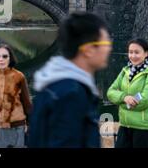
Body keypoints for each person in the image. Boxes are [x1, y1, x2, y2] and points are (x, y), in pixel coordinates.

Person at [27, 12, 112, 148]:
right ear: (89, 49)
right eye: (106, 43)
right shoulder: (71, 94)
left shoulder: (54, 86)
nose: (109, 48)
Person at [107, 38, 148, 148]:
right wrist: (124, 97)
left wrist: (120, 102)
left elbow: (144, 101)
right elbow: (110, 92)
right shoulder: (125, 70)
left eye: (137, 52)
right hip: (125, 124)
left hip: (143, 127)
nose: (133, 56)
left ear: (146, 53)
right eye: (130, 52)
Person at [0, 44, 32, 148]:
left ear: (10, 58)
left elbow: (27, 104)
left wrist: (30, 126)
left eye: (5, 56)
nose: (1, 59)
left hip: (14, 130)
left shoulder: (19, 77)